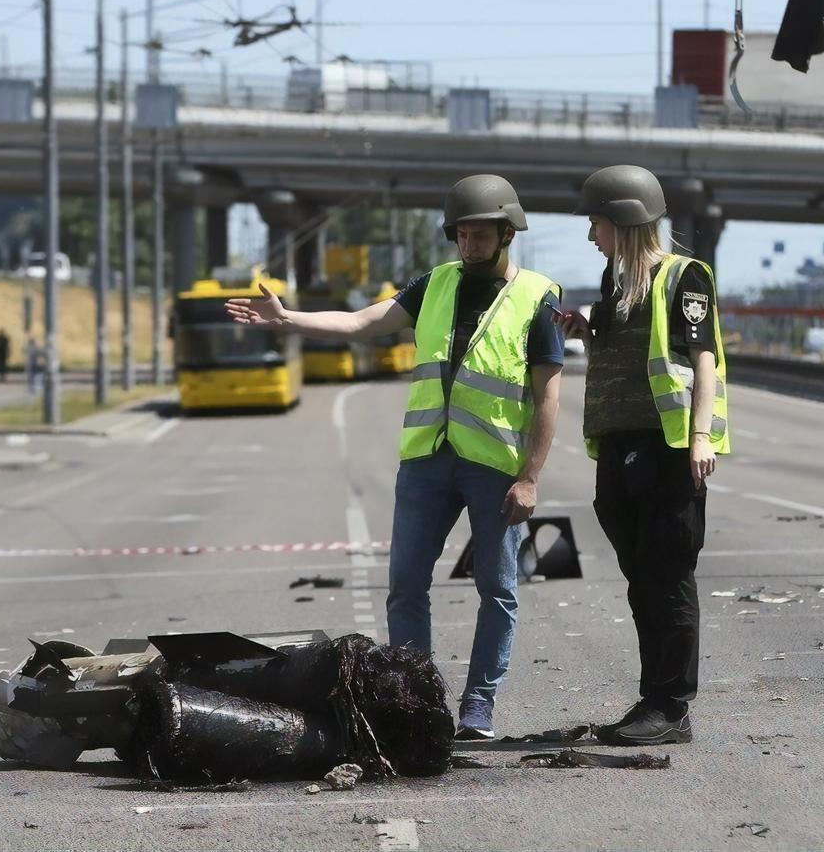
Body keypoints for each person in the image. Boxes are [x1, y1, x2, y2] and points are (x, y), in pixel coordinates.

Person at [226, 174, 563, 740]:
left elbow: (549, 394)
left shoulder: (538, 296)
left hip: (494, 465)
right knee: (406, 585)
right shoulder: (433, 284)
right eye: (460, 234)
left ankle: (478, 704)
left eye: (479, 234)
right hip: (427, 461)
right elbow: (361, 323)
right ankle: (417, 700)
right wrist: (289, 320)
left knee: (497, 588)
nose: (468, 244)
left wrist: (530, 477)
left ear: (507, 233)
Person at [559, 165, 730, 746]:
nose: (590, 236)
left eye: (596, 223)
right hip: (619, 445)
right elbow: (628, 342)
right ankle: (651, 697)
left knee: (667, 576)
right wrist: (586, 326)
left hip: (668, 446)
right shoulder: (615, 279)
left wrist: (701, 437)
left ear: (625, 220)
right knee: (641, 581)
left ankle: (671, 706)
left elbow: (702, 358)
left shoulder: (686, 278)